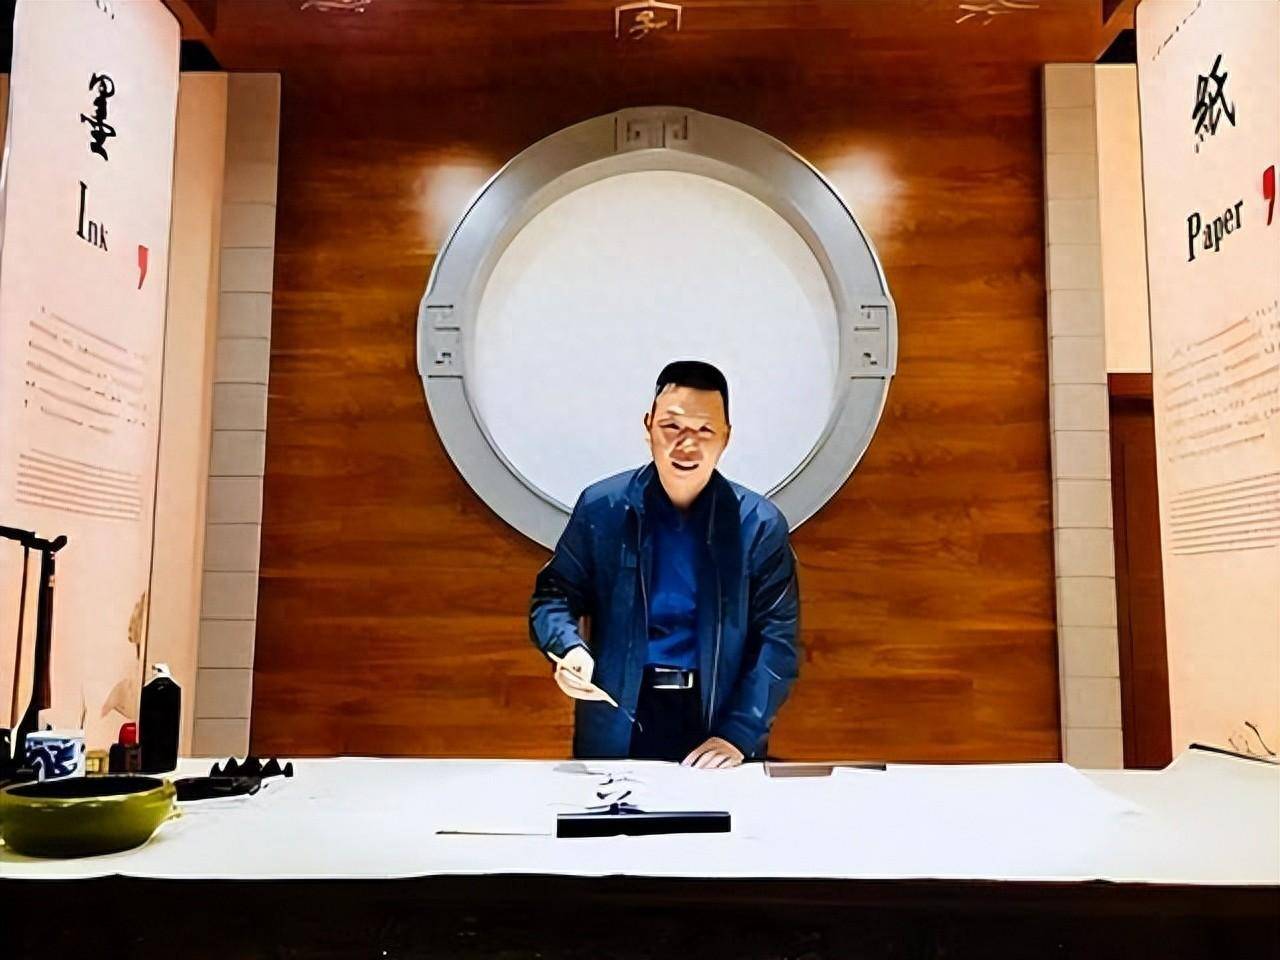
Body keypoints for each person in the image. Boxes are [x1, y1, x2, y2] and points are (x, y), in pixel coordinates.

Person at [528, 360, 800, 768]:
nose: (687, 446)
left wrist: (738, 735)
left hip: (716, 719)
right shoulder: (602, 507)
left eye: (704, 431)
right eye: (672, 427)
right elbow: (555, 595)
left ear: (726, 438)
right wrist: (568, 647)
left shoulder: (758, 525)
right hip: (617, 713)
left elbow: (778, 642)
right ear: (648, 426)